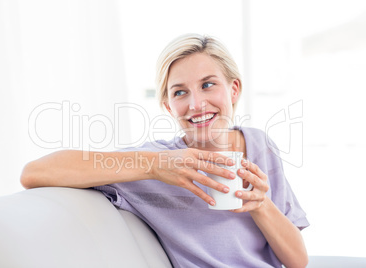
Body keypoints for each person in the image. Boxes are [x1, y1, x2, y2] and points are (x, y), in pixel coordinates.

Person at [21, 33, 309, 267]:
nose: (196, 104)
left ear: (233, 90)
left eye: (208, 85)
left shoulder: (260, 145)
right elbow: (34, 173)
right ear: (169, 106)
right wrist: (155, 165)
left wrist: (261, 204)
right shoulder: (159, 165)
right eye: (180, 92)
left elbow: (297, 260)